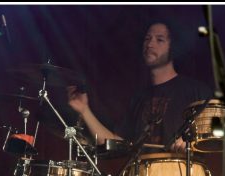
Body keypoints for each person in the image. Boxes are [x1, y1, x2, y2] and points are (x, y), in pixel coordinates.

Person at [67, 19, 213, 153]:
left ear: (173, 47)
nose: (150, 44)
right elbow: (116, 145)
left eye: (159, 40)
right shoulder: (139, 98)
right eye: (147, 39)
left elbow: (221, 134)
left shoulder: (196, 91)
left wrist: (192, 142)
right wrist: (84, 110)